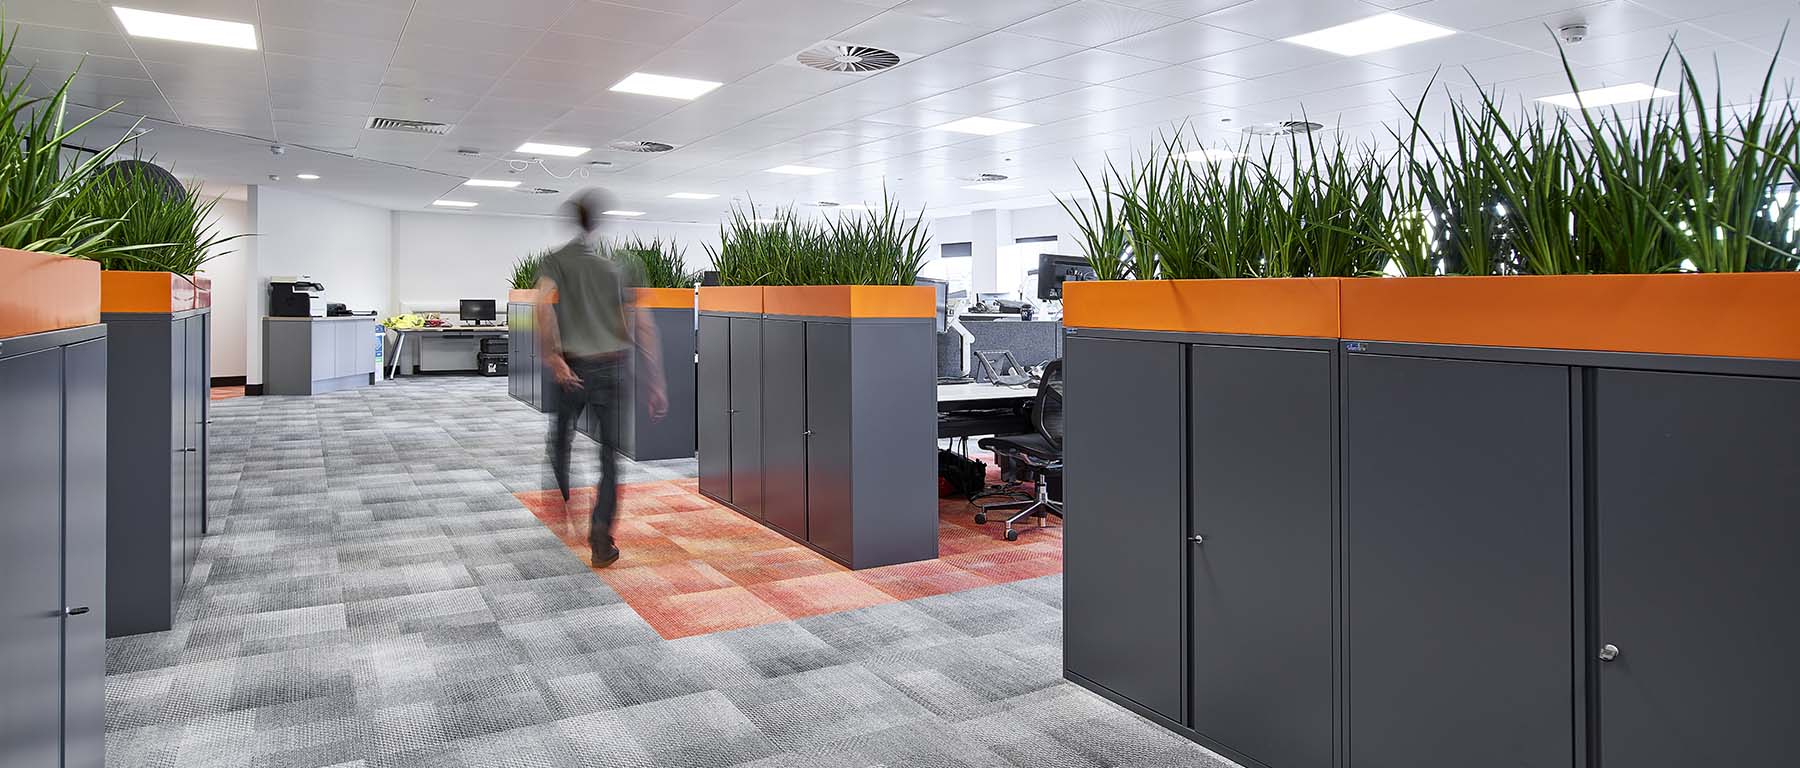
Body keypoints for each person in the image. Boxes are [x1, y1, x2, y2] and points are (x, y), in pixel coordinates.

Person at [536, 188, 668, 568]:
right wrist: (656, 381)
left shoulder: (556, 260)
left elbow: (542, 306)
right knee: (609, 455)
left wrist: (553, 358)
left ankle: (562, 497)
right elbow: (643, 326)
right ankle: (600, 535)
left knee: (561, 436)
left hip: (572, 367)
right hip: (611, 367)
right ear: (599, 221)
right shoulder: (622, 264)